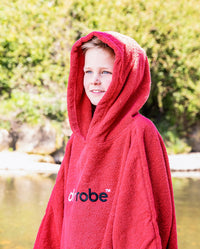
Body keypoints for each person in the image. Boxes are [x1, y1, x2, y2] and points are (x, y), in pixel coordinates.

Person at [33, 31, 178, 249]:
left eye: (106, 72)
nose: (94, 81)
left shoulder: (139, 132)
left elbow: (144, 219)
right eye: (88, 71)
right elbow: (57, 212)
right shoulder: (79, 137)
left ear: (126, 76)